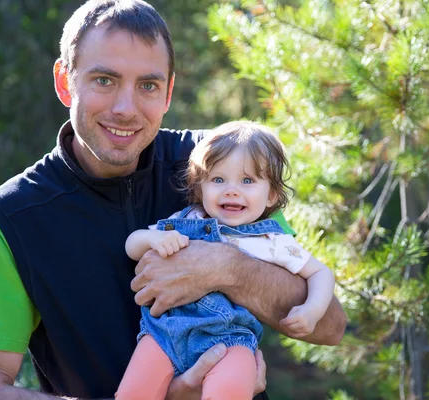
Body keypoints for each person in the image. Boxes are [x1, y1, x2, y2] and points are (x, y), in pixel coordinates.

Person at [0, 1, 347, 399]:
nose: (126, 109)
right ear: (65, 82)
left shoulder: (216, 168)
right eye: (105, 80)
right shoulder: (11, 218)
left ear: (169, 91)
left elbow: (329, 326)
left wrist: (228, 268)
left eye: (148, 86)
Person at [117, 121, 336, 400]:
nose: (232, 190)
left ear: (271, 194)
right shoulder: (188, 219)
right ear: (200, 188)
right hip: (162, 336)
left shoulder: (271, 241)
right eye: (218, 180)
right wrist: (153, 240)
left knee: (229, 392)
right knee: (132, 394)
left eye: (247, 181)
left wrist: (312, 310)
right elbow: (132, 244)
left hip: (230, 343)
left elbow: (320, 273)